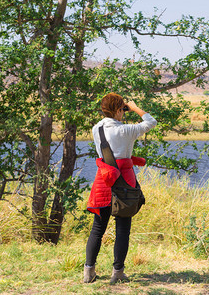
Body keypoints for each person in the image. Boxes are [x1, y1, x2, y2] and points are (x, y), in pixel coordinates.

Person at [83, 92, 157, 283]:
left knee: (97, 230)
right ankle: (117, 273)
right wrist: (135, 108)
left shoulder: (96, 128)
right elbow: (151, 122)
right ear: (118, 110)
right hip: (124, 183)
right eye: (122, 110)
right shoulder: (126, 130)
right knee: (123, 229)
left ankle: (88, 272)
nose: (124, 113)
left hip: (103, 181)